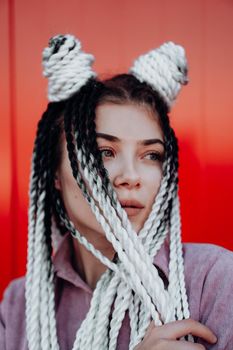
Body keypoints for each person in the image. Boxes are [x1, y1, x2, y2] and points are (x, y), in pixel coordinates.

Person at [0, 34, 233, 350]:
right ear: (55, 173)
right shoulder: (20, 305)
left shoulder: (214, 280)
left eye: (151, 155)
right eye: (104, 151)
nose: (131, 177)